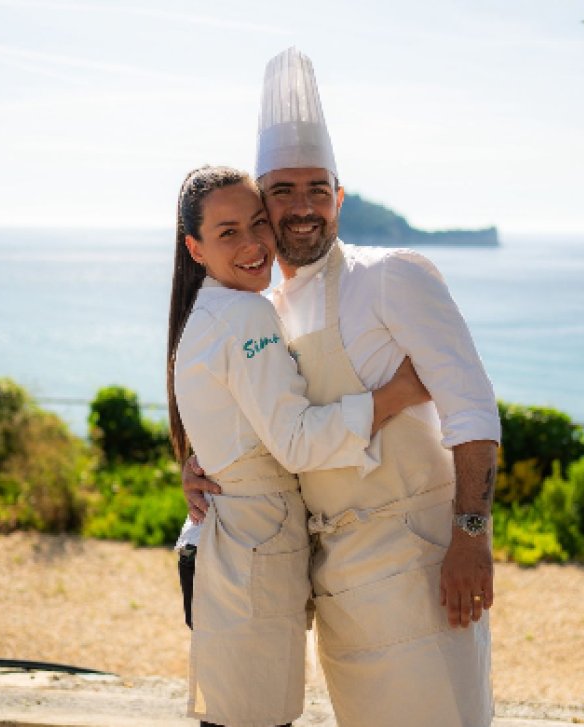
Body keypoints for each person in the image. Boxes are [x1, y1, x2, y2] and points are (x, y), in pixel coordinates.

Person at [183, 48, 502, 727]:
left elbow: (473, 408)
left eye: (317, 189)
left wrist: (472, 536)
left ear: (341, 196)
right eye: (283, 193)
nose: (302, 209)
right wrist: (208, 462)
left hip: (422, 575)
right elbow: (269, 423)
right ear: (263, 207)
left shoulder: (394, 276)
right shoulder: (264, 308)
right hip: (338, 590)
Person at [167, 165, 430, 727]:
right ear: (195, 248)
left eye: (258, 223)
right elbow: (294, 442)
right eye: (227, 232)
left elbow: (232, 427)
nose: (252, 243)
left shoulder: (210, 313)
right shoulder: (246, 313)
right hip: (252, 546)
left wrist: (203, 463)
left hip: (229, 541)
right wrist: (398, 393)